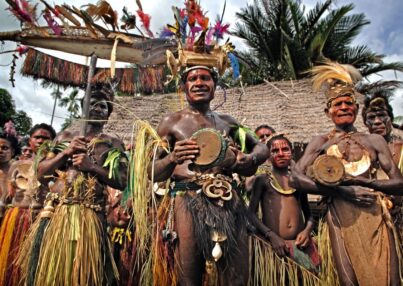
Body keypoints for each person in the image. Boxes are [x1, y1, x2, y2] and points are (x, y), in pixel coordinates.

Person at [151, 66, 268, 285]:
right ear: (184, 87)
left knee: (237, 278)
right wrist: (171, 158)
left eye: (205, 78)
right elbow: (152, 171)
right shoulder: (171, 122)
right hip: (187, 198)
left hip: (228, 199)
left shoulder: (228, 122)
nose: (199, 83)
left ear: (215, 86)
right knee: (189, 276)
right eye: (192, 78)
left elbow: (262, 148)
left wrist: (247, 159)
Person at [290, 62, 403, 286]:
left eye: (348, 103)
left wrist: (369, 183)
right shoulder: (320, 142)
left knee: (390, 279)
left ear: (356, 109)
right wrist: (343, 191)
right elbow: (296, 178)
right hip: (340, 216)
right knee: (349, 280)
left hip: (375, 214)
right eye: (337, 104)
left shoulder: (374, 140)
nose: (343, 107)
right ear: (328, 111)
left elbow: (399, 184)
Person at [17, 82, 127, 286]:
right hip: (59, 211)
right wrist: (65, 152)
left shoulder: (113, 143)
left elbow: (122, 181)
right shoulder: (65, 136)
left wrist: (91, 167)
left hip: (92, 215)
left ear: (108, 114)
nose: (97, 108)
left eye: (103, 106)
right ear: (83, 106)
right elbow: (41, 173)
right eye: (92, 103)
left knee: (84, 276)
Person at [249, 134, 320, 275]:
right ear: (268, 156)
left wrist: (306, 232)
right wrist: (271, 236)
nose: (281, 154)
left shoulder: (299, 181)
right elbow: (250, 213)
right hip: (273, 246)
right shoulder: (262, 180)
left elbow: (309, 216)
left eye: (285, 149)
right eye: (275, 151)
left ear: (292, 153)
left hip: (301, 246)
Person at [362, 93, 403, 241]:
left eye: (382, 115)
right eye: (372, 117)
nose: (377, 121)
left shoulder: (401, 148)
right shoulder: (359, 151)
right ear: (365, 123)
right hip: (371, 221)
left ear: (390, 119)